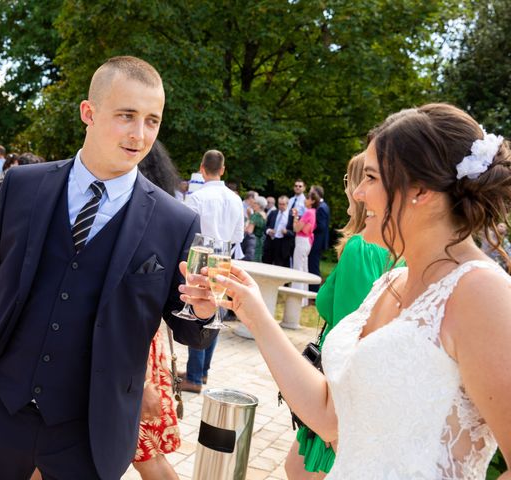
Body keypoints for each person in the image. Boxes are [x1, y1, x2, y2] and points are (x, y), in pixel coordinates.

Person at [188, 103, 511, 479]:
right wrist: (253, 311)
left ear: (419, 190)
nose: (357, 193)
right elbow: (329, 417)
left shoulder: (483, 293)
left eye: (371, 177)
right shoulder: (390, 282)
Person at [0, 56, 217, 480]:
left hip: (91, 439)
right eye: (126, 116)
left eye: (152, 121)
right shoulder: (23, 187)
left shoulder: (175, 221)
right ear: (88, 113)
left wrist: (203, 311)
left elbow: (188, 330)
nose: (139, 134)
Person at [285, 152, 390, 478]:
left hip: (339, 395)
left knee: (302, 471)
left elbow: (352, 335)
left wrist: (336, 415)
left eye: (353, 179)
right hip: (354, 398)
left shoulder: (361, 248)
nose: (349, 189)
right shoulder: (388, 248)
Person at [133, 140, 182, 479]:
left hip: (135, 359)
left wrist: (140, 384)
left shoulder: (148, 223)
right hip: (145, 353)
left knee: (146, 454)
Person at [180, 149, 243, 393]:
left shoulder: (197, 197)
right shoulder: (235, 199)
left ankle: (195, 376)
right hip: (225, 258)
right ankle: (202, 370)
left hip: (202, 258)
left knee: (198, 312)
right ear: (223, 169)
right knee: (214, 313)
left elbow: (187, 232)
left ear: (202, 169)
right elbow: (238, 236)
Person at [291, 190, 318, 300]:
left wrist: (295, 218)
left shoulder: (308, 212)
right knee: (303, 267)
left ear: (312, 201)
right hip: (306, 241)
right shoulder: (313, 212)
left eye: (307, 198)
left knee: (298, 267)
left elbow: (296, 228)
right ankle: (303, 298)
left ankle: (297, 295)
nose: (305, 200)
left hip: (302, 240)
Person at [307, 185, 329, 291]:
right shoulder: (321, 206)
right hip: (317, 241)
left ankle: (314, 290)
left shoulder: (322, 207)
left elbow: (321, 226)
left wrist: (310, 226)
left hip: (317, 242)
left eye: (311, 192)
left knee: (313, 266)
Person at [262, 195, 295, 267]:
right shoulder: (273, 213)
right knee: (267, 263)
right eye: (279, 204)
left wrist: (287, 232)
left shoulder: (291, 216)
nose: (281, 206)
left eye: (283, 204)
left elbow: (294, 232)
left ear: (287, 204)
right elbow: (265, 226)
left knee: (280, 265)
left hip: (283, 243)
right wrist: (268, 231)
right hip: (271, 241)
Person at [247, 195, 267, 262]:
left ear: (259, 205)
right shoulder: (264, 215)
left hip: (253, 241)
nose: (252, 204)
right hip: (261, 241)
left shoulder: (256, 215)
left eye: (254, 203)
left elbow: (249, 231)